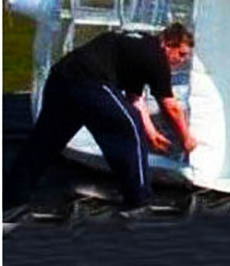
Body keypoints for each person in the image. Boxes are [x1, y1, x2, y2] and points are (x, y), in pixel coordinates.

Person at [5, 21, 198, 213]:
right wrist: (186, 139)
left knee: (44, 141)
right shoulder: (157, 57)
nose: (181, 61)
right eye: (181, 54)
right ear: (168, 44)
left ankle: (13, 195)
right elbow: (170, 107)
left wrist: (152, 132)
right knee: (129, 132)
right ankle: (140, 200)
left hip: (61, 78)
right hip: (90, 81)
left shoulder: (140, 46)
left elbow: (135, 99)